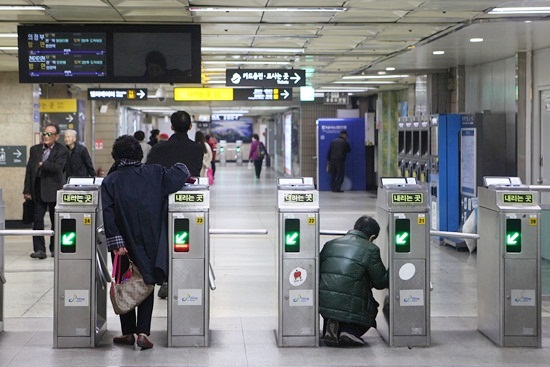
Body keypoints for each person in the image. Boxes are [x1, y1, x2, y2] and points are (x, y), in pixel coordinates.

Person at [101, 135, 190, 350]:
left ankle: (129, 332)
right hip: (151, 239)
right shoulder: (154, 172)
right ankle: (142, 332)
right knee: (146, 281)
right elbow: (181, 173)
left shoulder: (111, 180)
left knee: (126, 281)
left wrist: (116, 241)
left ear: (116, 155)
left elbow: (108, 212)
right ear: (139, 154)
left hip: (122, 242)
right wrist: (179, 164)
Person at [146, 110, 203, 298]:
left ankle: (164, 278)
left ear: (171, 127)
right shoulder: (197, 148)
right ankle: (186, 279)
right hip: (190, 201)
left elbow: (150, 174)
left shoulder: (158, 148)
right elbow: (194, 173)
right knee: (188, 241)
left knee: (163, 239)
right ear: (190, 126)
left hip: (162, 200)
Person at [319, 215, 389, 347]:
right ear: (372, 237)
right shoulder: (371, 249)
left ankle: (331, 324)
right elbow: (380, 283)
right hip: (349, 305)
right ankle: (349, 331)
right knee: (371, 306)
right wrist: (395, 267)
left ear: (354, 228)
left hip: (324, 304)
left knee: (340, 290)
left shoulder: (330, 244)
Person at [23, 124, 69, 259]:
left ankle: (55, 249)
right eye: (45, 133)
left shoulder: (62, 150)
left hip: (54, 190)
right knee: (37, 221)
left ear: (56, 136)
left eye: (50, 134)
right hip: (37, 190)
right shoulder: (35, 150)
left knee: (56, 222)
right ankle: (39, 249)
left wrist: (43, 164)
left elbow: (58, 167)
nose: (46, 136)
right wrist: (27, 190)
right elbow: (29, 170)